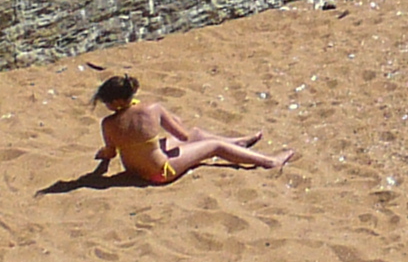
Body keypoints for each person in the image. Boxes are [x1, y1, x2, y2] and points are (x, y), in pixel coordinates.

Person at [91, 73, 293, 183]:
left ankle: (237, 143)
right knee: (212, 145)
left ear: (116, 102)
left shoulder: (107, 124)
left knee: (198, 134)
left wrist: (102, 157)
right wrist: (171, 119)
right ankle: (270, 161)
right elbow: (183, 135)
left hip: (135, 172)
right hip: (161, 172)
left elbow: (110, 153)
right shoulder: (152, 108)